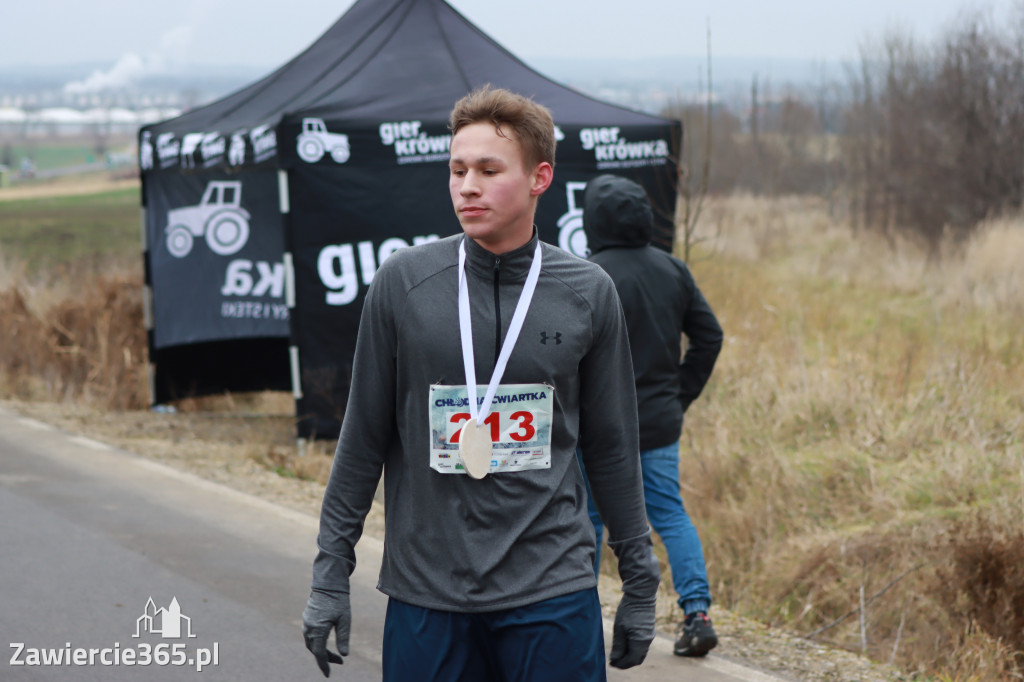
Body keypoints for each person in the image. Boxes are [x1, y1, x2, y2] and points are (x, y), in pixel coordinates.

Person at [301, 87, 660, 681]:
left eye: (489, 170)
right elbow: (362, 438)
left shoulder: (588, 292)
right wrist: (329, 573)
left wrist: (640, 582)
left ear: (539, 177)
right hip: (428, 592)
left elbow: (612, 446)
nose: (467, 185)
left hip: (551, 586)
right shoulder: (404, 283)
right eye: (457, 169)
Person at [579, 174, 724, 658]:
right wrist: (679, 395)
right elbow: (710, 336)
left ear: (592, 220)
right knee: (669, 514)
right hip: (659, 423)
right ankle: (697, 615)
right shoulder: (673, 269)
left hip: (597, 428)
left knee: (589, 521)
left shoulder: (584, 274)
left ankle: (577, 617)